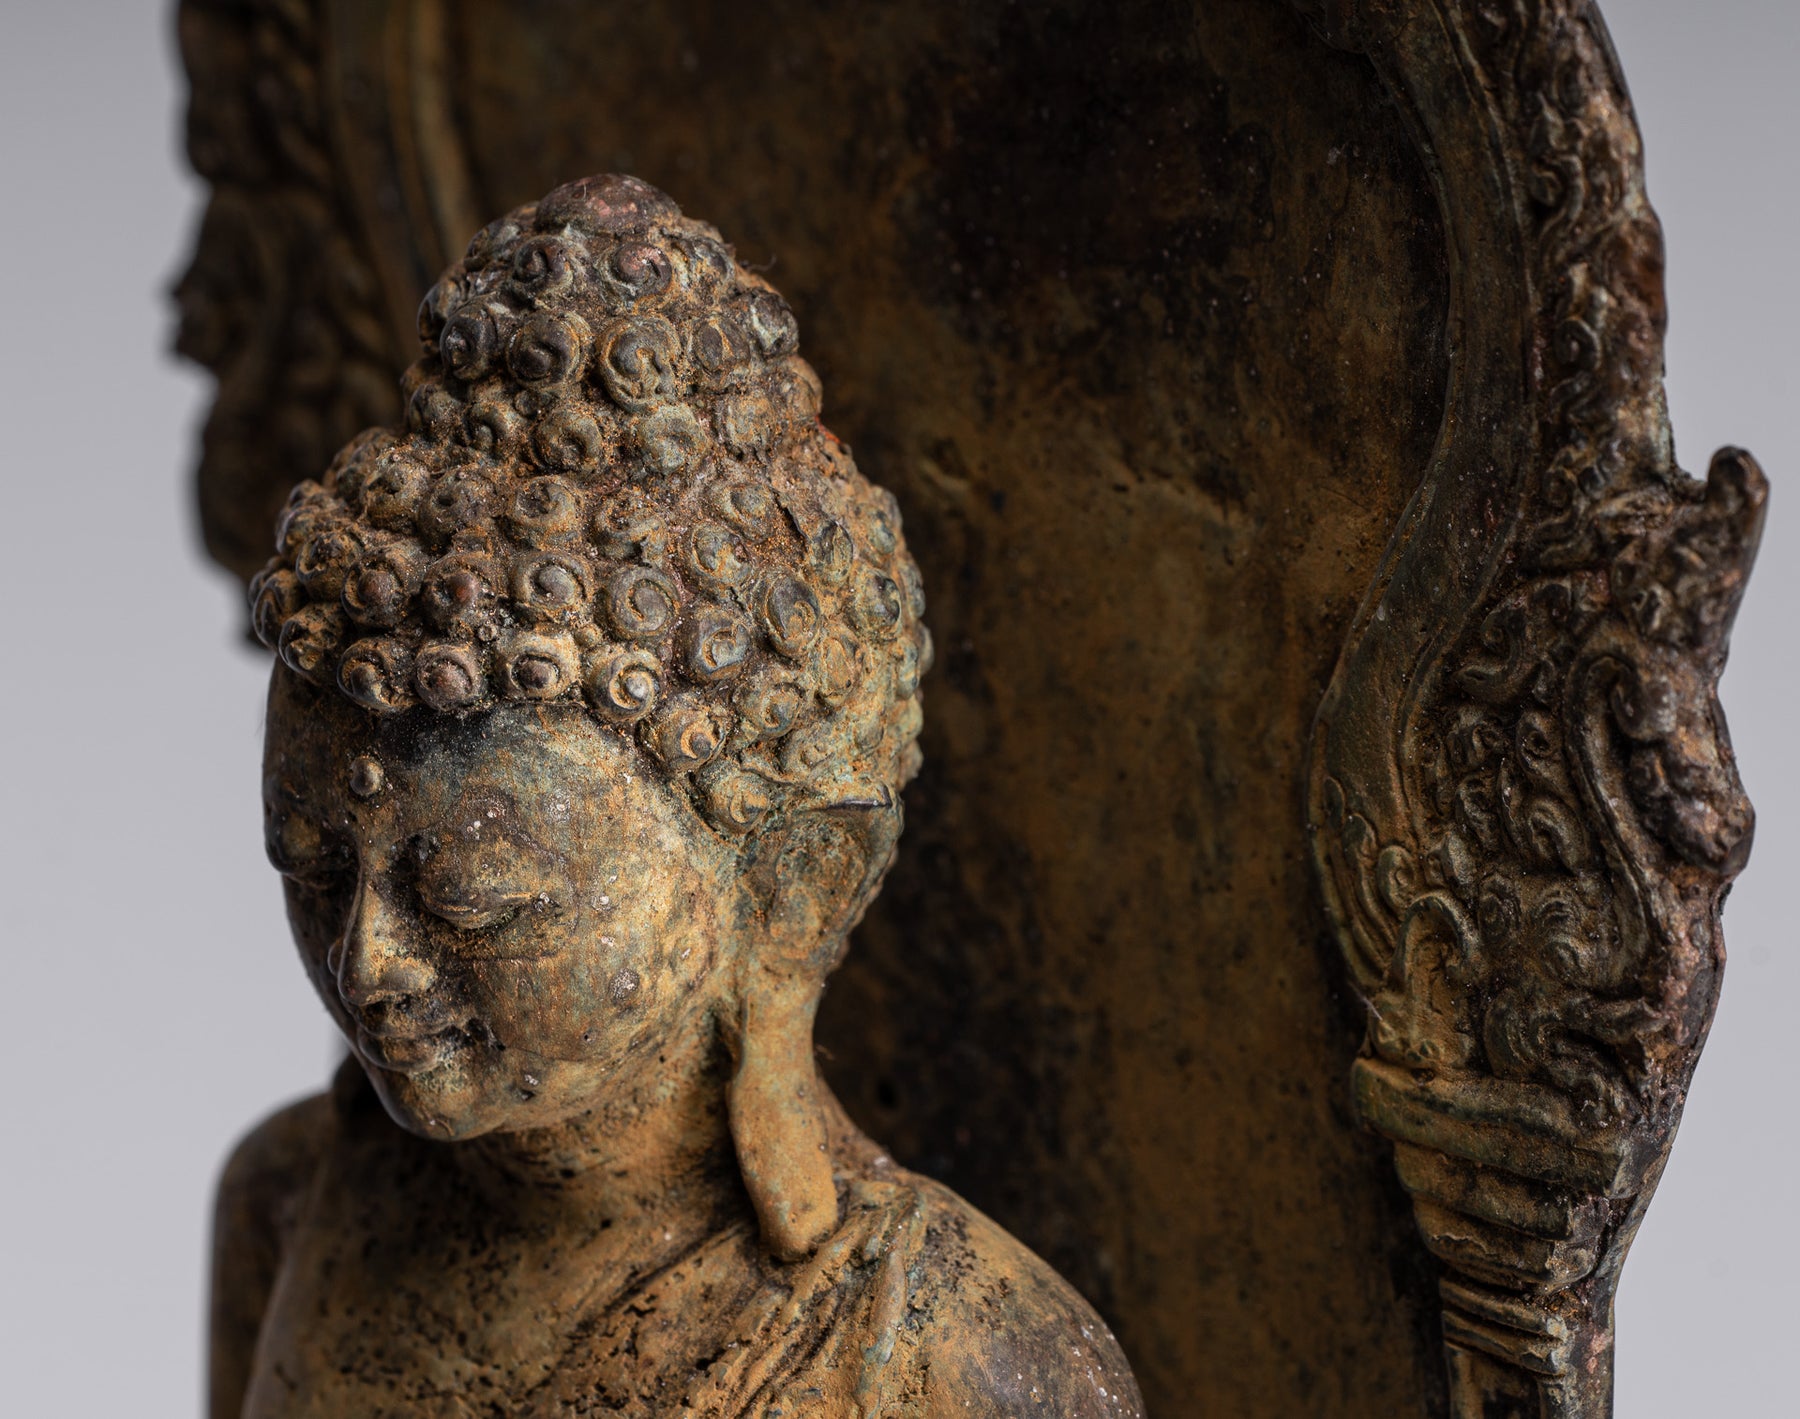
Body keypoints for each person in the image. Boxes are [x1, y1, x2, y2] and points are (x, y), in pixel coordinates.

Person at [217, 173, 1144, 1418]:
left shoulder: (952, 1362)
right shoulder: (288, 1202)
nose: (366, 961)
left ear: (787, 890)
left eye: (472, 897)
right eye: (313, 865)